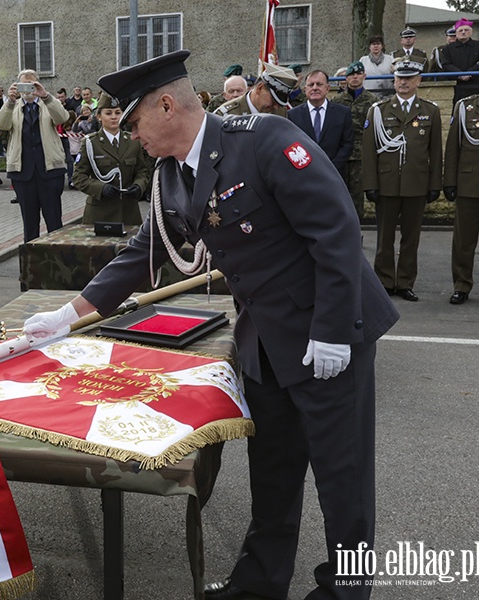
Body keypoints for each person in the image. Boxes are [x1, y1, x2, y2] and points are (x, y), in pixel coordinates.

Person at [23, 49, 399, 600]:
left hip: (327, 335)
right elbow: (144, 249)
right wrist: (69, 313)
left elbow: (336, 230)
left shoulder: (264, 139)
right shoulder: (171, 175)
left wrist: (334, 329)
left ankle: (346, 593)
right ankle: (260, 584)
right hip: (265, 344)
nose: (131, 138)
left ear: (167, 106)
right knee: (273, 475)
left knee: (343, 481)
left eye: (133, 123)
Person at [363, 59, 443, 302]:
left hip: (416, 184)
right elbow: (368, 151)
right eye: (399, 78)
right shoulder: (379, 110)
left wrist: (434, 185)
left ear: (418, 81)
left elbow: (435, 153)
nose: (404, 82)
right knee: (384, 238)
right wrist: (370, 184)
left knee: (411, 238)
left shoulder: (430, 111)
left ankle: (406, 282)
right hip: (387, 184)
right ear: (394, 80)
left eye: (409, 78)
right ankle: (385, 282)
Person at [0, 70, 70, 242]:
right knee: (29, 222)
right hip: (23, 172)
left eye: (32, 84)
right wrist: (10, 101)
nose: (28, 89)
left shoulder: (48, 103)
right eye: (24, 84)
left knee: (54, 220)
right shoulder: (13, 106)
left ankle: (56, 261)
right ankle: (32, 263)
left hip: (50, 170)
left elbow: (62, 118)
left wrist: (45, 96)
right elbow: (1, 124)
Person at [443, 61, 479, 306]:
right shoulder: (465, 107)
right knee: (464, 239)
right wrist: (450, 181)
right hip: (469, 182)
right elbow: (453, 147)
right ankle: (461, 285)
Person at [72, 92, 150, 225]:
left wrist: (139, 186)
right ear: (99, 117)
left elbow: (142, 171)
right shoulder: (90, 143)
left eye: (117, 113)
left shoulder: (133, 141)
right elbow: (78, 177)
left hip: (129, 213)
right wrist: (101, 188)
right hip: (100, 212)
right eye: (108, 113)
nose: (114, 117)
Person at [331, 62, 379, 219]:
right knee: (339, 192)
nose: (355, 77)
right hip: (341, 153)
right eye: (351, 75)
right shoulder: (337, 101)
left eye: (358, 74)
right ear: (346, 78)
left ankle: (357, 230)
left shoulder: (373, 101)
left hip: (361, 154)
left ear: (364, 76)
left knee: (357, 194)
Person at [287, 69, 353, 180]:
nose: (315, 88)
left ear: (327, 88)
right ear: (305, 89)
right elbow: (291, 145)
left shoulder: (342, 113)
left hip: (335, 176)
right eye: (311, 85)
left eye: (319, 84)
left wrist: (331, 168)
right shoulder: (293, 115)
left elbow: (347, 145)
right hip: (304, 176)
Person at [214, 63, 297, 117]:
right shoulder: (225, 114)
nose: (276, 106)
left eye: (279, 103)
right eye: (273, 100)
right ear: (260, 88)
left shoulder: (280, 112)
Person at [440, 19, 479, 107]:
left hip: (476, 84)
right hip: (457, 85)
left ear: (471, 32)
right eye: (460, 30)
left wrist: (469, 73)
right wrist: (460, 75)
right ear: (456, 33)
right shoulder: (448, 49)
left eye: (466, 30)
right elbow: (446, 64)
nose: (463, 32)